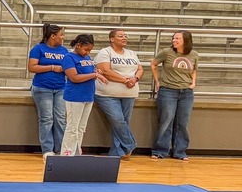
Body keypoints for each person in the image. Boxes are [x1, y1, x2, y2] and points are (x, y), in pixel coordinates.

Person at [94, 29, 143, 159]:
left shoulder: (132, 53)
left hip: (129, 94)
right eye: (120, 36)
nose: (124, 38)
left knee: (123, 123)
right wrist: (125, 80)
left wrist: (135, 79)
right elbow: (105, 70)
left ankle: (117, 152)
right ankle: (130, 144)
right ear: (112, 39)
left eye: (125, 36)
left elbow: (140, 69)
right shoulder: (105, 52)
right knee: (118, 120)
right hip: (107, 94)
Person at [150, 31, 199, 161]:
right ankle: (160, 151)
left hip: (187, 93)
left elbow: (194, 70)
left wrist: (193, 83)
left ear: (186, 40)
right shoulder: (166, 52)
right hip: (168, 91)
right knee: (166, 120)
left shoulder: (194, 54)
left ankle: (180, 152)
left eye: (177, 38)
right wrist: (158, 82)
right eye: (173, 38)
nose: (174, 40)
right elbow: (153, 64)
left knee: (182, 122)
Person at [60, 34, 105, 156]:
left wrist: (95, 71)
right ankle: (66, 153)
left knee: (81, 128)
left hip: (88, 96)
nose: (88, 52)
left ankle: (76, 150)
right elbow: (74, 77)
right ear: (78, 45)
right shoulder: (69, 58)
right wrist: (94, 75)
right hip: (75, 96)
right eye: (86, 49)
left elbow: (88, 72)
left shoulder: (87, 57)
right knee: (72, 127)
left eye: (90, 50)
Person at [27, 23, 68, 157]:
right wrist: (51, 67)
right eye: (61, 35)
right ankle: (47, 149)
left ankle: (61, 148)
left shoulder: (64, 51)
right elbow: (32, 67)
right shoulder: (38, 49)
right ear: (53, 36)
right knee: (46, 118)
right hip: (43, 88)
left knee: (61, 118)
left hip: (61, 88)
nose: (63, 37)